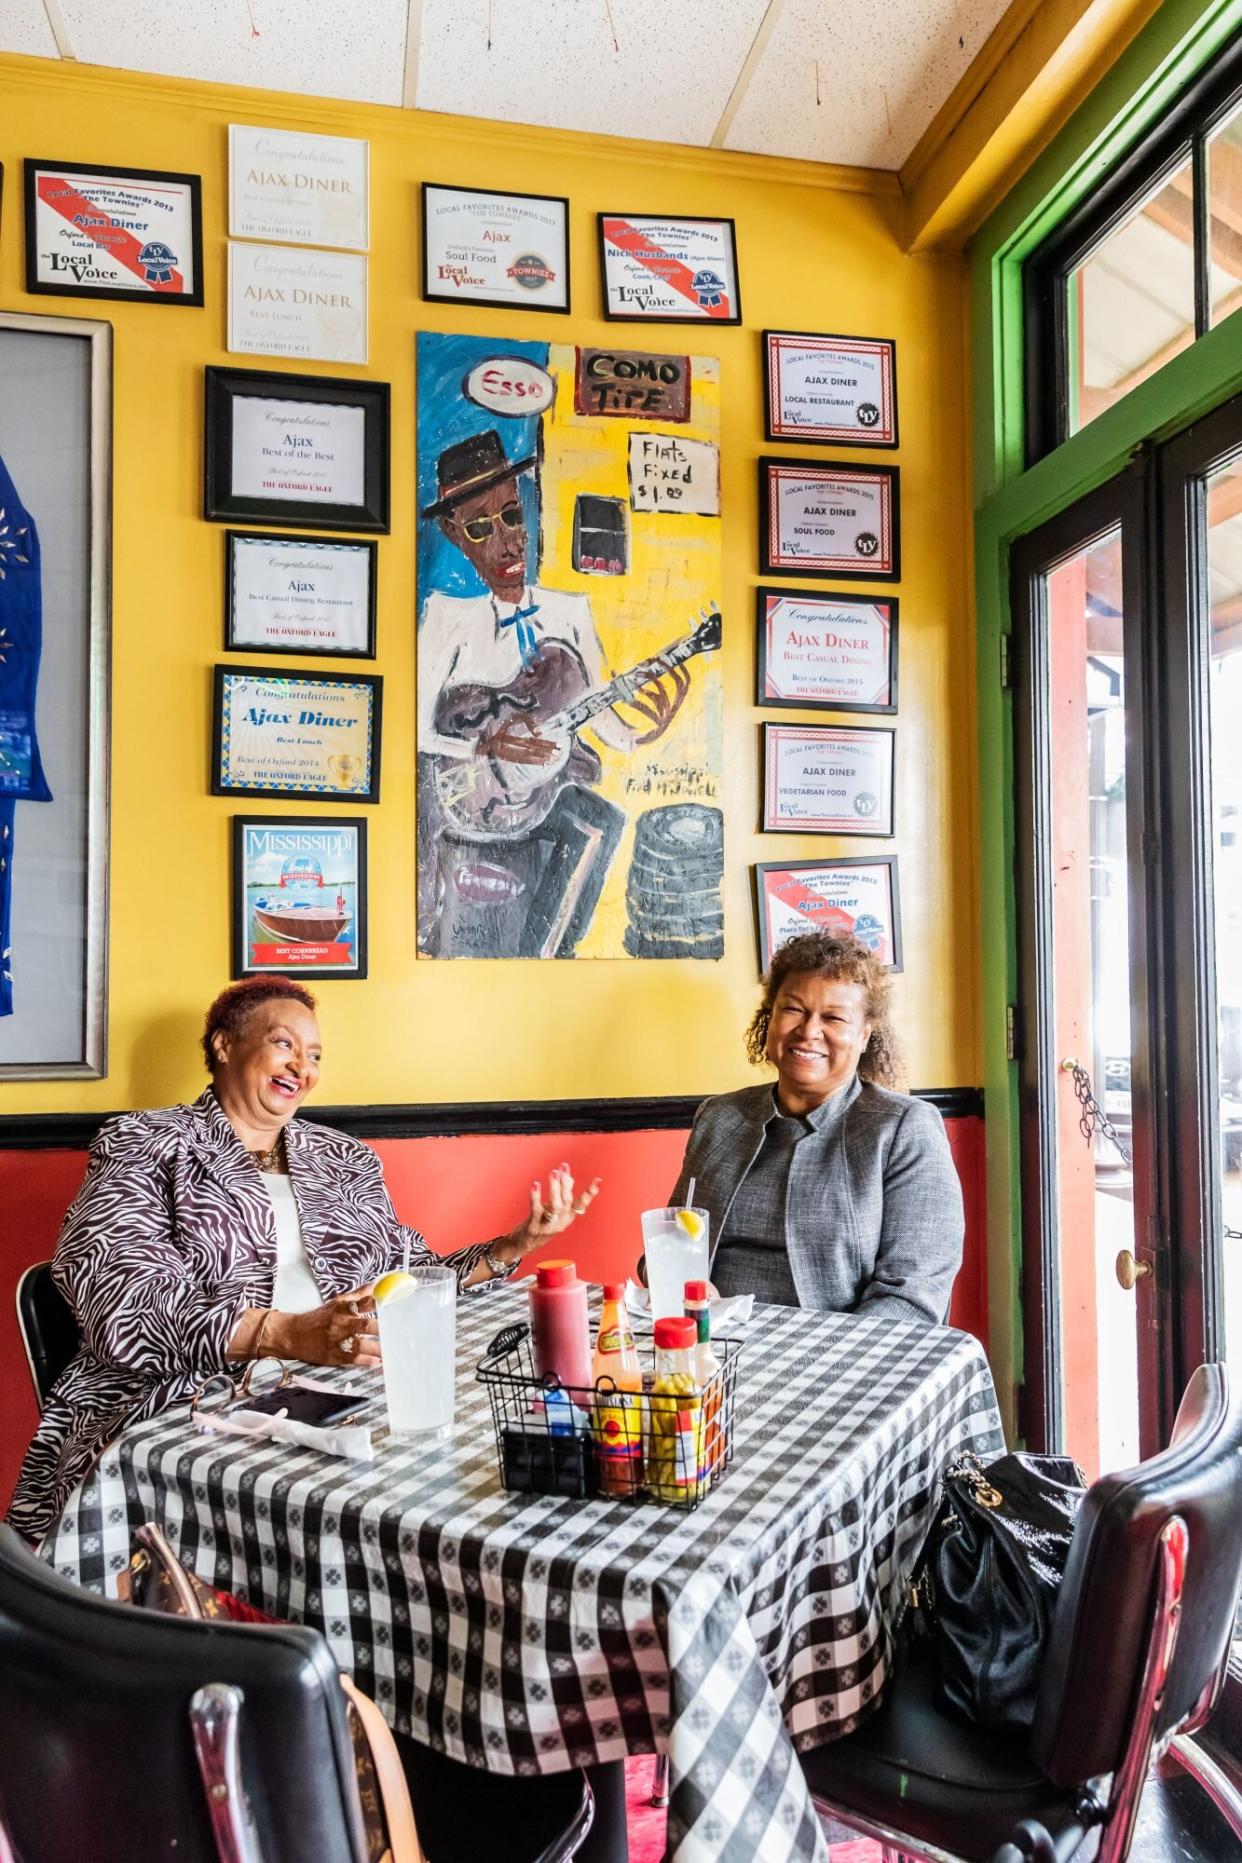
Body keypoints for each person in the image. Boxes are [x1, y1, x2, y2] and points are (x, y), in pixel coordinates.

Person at [7, 976, 599, 1541]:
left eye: (314, 1055)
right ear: (224, 1044)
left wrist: (512, 1248)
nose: (302, 1067)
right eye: (284, 1044)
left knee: (463, 1468)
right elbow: (122, 1303)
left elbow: (409, 1279)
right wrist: (287, 1334)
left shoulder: (343, 1158)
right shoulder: (144, 1143)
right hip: (183, 1407)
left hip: (329, 1393)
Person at [417, 429, 690, 957]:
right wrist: (483, 748)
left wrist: (644, 730)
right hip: (461, 793)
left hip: (539, 792)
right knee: (422, 803)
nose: (508, 541)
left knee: (600, 822)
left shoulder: (571, 611)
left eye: (513, 517)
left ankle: (547, 955)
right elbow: (412, 729)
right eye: (480, 527)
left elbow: (606, 724)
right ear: (454, 534)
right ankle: (428, 940)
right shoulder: (447, 618)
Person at [670, 930, 963, 1320]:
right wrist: (680, 1284)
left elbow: (912, 1294)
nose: (808, 1031)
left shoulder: (903, 1129)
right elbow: (670, 1246)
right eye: (793, 1009)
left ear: (863, 1036)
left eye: (834, 1017)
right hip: (716, 1344)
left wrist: (828, 1358)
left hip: (847, 1358)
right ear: (769, 1017)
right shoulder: (719, 1118)